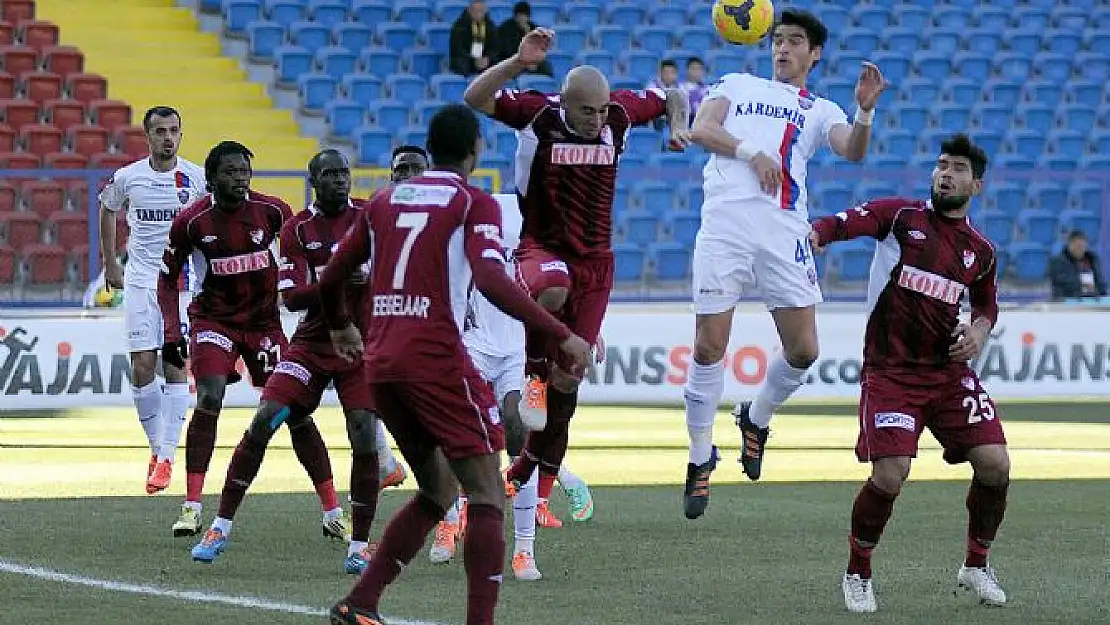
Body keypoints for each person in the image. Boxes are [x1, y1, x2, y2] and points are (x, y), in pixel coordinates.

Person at [323, 103, 591, 625]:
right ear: (474, 152)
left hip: (383, 363)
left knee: (438, 488)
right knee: (488, 491)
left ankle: (361, 602)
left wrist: (339, 325)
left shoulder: (382, 200)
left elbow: (335, 271)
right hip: (439, 360)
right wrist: (561, 332)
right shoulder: (472, 201)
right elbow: (492, 281)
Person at [463, 28, 690, 516]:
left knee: (574, 378)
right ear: (564, 103)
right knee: (551, 288)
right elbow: (475, 97)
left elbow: (671, 94)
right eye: (586, 110)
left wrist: (675, 126)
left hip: (596, 263)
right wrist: (517, 63)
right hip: (540, 247)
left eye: (602, 109)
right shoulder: (537, 114)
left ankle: (525, 468)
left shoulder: (621, 115)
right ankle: (532, 376)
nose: (597, 119)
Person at [681, 9, 886, 519]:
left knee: (804, 349)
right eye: (778, 40)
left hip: (784, 232)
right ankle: (699, 456)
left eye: (795, 41)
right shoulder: (736, 82)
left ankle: (757, 415)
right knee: (709, 345)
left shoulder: (819, 108)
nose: (783, 48)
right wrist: (751, 151)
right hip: (725, 225)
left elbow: (851, 151)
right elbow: (702, 128)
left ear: (814, 54)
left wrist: (863, 112)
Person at [809, 134, 1010, 612]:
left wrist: (979, 333)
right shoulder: (901, 218)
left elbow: (986, 305)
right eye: (941, 164)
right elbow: (845, 222)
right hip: (892, 373)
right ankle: (857, 574)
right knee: (890, 474)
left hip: (947, 375)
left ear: (975, 185)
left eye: (958, 168)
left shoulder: (980, 251)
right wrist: (816, 234)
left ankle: (976, 565)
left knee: (996, 464)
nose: (946, 173)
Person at [186, 150, 398, 574]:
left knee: (362, 432)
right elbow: (292, 296)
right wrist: (337, 277)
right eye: (329, 175)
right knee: (266, 416)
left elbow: (395, 274)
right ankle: (220, 526)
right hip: (311, 346)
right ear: (314, 181)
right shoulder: (298, 228)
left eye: (344, 173)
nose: (339, 180)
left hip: (359, 348)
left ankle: (358, 544)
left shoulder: (372, 217)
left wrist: (367, 280)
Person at [158, 141, 336, 540]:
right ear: (211, 178)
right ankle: (191, 506)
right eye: (230, 172)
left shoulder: (273, 211)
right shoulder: (192, 221)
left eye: (244, 171)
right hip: (214, 322)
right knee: (209, 397)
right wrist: (171, 333)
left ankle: (332, 511)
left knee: (294, 411)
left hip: (264, 325)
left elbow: (299, 255)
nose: (240, 178)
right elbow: (168, 278)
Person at [428, 196, 594, 581]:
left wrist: (587, 328)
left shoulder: (542, 226)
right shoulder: (471, 213)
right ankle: (449, 521)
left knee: (521, 430)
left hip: (519, 348)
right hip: (471, 342)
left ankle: (524, 549)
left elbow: (569, 279)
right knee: (450, 432)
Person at [98, 106, 206, 495]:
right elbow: (107, 208)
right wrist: (111, 263)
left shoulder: (197, 178)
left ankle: (166, 457)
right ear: (147, 136)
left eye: (174, 130)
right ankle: (157, 449)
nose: (167, 137)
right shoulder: (128, 177)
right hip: (142, 282)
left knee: (176, 366)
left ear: (181, 134)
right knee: (142, 367)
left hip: (181, 283)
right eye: (160, 131)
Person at [495, 2, 552, 76]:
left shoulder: (533, 28)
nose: (522, 18)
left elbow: (539, 48)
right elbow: (506, 50)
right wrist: (524, 61)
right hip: (512, 59)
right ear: (515, 16)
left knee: (545, 67)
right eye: (520, 15)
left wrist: (527, 32)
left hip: (531, 60)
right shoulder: (505, 28)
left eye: (525, 16)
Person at [1049, 229, 1106, 300]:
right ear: (1070, 244)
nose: (1081, 249)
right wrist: (1083, 285)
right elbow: (1064, 282)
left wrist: (1099, 290)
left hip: (1092, 300)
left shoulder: (1093, 259)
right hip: (1067, 301)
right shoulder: (1057, 262)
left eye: (1083, 246)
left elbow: (1101, 283)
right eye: (1078, 246)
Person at [449, 0, 500, 77]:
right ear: (469, 10)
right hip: (467, 59)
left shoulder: (490, 26)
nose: (478, 14)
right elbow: (457, 49)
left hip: (484, 59)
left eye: (481, 11)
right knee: (460, 63)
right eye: (476, 11)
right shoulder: (459, 26)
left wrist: (488, 58)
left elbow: (495, 47)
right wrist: (473, 60)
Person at [680, 57, 709, 125]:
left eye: (699, 69)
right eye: (693, 69)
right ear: (687, 70)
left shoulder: (708, 89)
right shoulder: (681, 88)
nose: (696, 72)